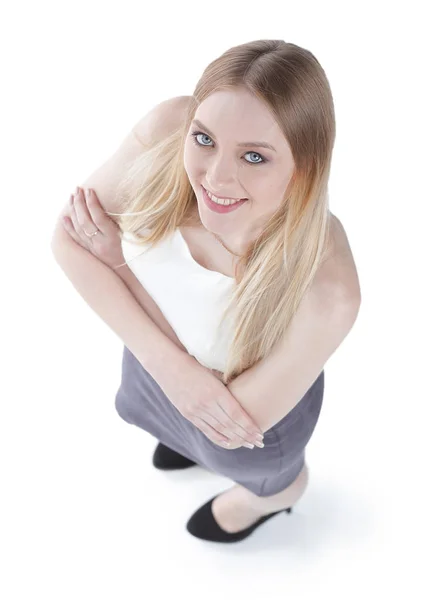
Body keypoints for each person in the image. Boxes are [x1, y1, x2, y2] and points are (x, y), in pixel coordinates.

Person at [53, 39, 361, 543]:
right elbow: (68, 238)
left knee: (266, 477)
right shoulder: (169, 129)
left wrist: (120, 269)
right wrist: (177, 374)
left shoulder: (327, 287)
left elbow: (229, 420)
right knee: (165, 414)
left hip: (251, 430)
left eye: (255, 156)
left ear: (303, 167)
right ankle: (181, 439)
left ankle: (274, 500)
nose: (215, 178)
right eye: (205, 139)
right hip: (158, 367)